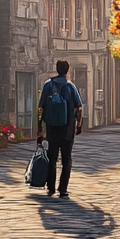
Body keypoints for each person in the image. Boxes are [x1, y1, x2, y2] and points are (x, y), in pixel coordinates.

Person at [35, 60, 83, 197]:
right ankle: (62, 188)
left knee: (52, 157)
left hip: (52, 128)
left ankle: (50, 186)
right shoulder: (70, 87)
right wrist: (79, 125)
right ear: (67, 71)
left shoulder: (47, 86)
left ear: (56, 69)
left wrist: (40, 128)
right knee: (66, 159)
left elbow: (41, 108)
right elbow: (79, 108)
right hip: (68, 129)